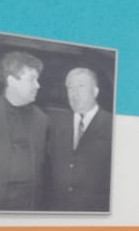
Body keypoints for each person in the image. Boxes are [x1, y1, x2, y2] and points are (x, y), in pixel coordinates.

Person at [0, 49, 48, 210]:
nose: (38, 85)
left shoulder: (42, 119)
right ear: (12, 81)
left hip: (28, 207)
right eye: (32, 79)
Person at [45, 65, 113, 212]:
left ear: (95, 91)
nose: (74, 94)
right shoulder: (56, 124)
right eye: (70, 88)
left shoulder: (114, 125)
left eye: (81, 86)